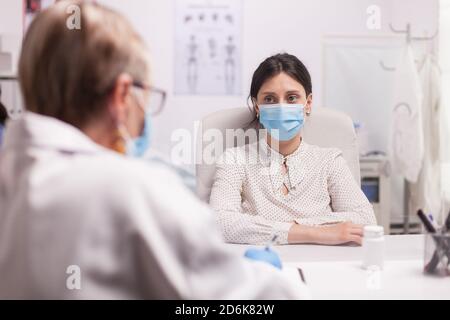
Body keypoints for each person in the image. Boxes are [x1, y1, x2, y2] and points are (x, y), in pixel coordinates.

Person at [0, 1, 305, 299]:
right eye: (144, 96)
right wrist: (265, 276)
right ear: (122, 95)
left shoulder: (13, 173)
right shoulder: (133, 190)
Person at [210, 53, 376, 246]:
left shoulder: (329, 160)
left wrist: (273, 229)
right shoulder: (235, 159)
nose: (281, 107)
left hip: (322, 266)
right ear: (257, 106)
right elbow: (219, 223)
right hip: (262, 267)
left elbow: (365, 219)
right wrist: (317, 233)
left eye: (291, 98)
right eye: (270, 99)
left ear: (308, 103)